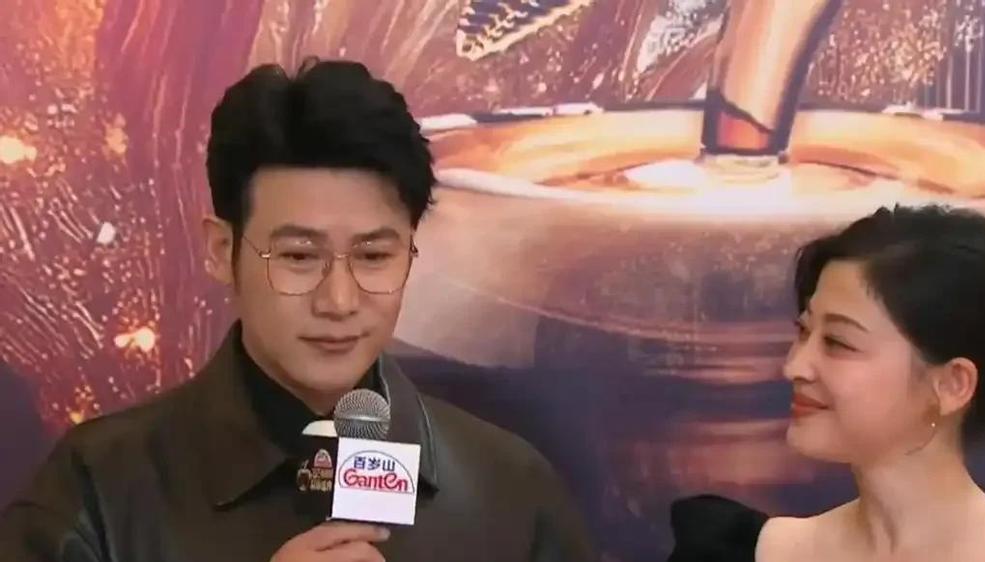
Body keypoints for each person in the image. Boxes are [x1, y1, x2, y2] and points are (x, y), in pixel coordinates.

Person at [0, 58, 594, 562]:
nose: (339, 301)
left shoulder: (511, 490)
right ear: (222, 250)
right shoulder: (95, 492)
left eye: (374, 256)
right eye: (299, 256)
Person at [667, 205, 985, 562]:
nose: (795, 366)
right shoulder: (745, 552)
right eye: (803, 332)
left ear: (953, 384)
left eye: (838, 342)